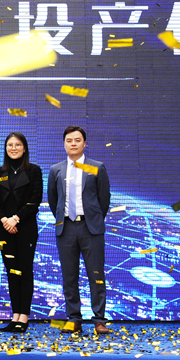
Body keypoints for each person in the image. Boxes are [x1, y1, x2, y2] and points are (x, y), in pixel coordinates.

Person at [47, 125, 112, 335]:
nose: (73, 144)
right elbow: (53, 200)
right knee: (69, 276)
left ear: (84, 143)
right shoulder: (56, 170)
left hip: (90, 228)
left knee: (96, 274)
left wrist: (93, 218)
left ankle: (99, 320)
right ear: (64, 144)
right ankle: (74, 318)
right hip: (66, 228)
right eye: (69, 140)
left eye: (77, 140)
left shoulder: (96, 167)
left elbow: (104, 199)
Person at [0, 132, 43, 333]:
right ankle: (15, 316)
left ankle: (24, 316)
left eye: (17, 144)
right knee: (12, 271)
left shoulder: (34, 171)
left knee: (25, 270)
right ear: (5, 148)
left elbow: (35, 200)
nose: (13, 148)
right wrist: (4, 220)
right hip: (4, 229)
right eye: (10, 145)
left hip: (25, 228)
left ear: (24, 148)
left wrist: (16, 218)